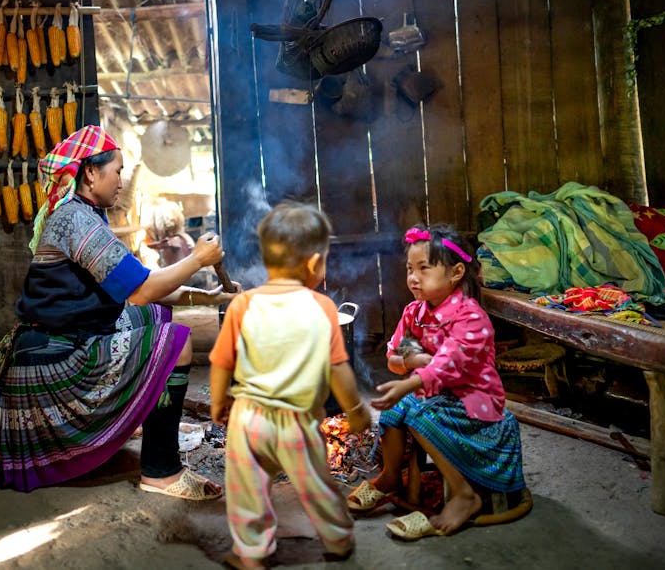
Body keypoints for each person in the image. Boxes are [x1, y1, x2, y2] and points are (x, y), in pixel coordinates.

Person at [0, 125, 238, 496]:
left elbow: (140, 285)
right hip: (54, 358)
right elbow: (144, 290)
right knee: (178, 343)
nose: (121, 180)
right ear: (91, 173)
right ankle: (162, 472)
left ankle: (135, 413)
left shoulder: (84, 214)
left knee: (155, 317)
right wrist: (197, 258)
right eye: (116, 170)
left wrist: (213, 297)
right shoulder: (75, 220)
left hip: (61, 339)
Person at [209, 202, 372, 569]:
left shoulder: (242, 305)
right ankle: (338, 539)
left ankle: (251, 553)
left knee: (246, 491)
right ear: (314, 264)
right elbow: (339, 370)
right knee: (317, 487)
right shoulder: (323, 308)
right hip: (297, 422)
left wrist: (218, 403)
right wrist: (356, 410)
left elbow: (221, 362)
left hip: (247, 420)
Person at [346, 224, 526, 539]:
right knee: (393, 411)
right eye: (409, 269)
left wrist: (410, 382)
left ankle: (462, 494)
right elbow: (397, 358)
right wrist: (411, 363)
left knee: (416, 412)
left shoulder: (470, 318)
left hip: (472, 400)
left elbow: (448, 364)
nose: (413, 277)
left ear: (456, 273)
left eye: (424, 269)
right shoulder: (415, 313)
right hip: (435, 393)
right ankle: (390, 478)